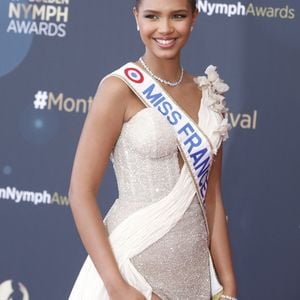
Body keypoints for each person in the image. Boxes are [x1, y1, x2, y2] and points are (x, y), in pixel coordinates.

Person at [68, 0, 237, 299]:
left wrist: (228, 284)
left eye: (178, 16)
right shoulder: (118, 89)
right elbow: (80, 193)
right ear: (136, 17)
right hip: (130, 272)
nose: (165, 28)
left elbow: (212, 198)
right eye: (152, 16)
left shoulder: (209, 96)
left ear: (194, 17)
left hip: (193, 277)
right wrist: (116, 285)